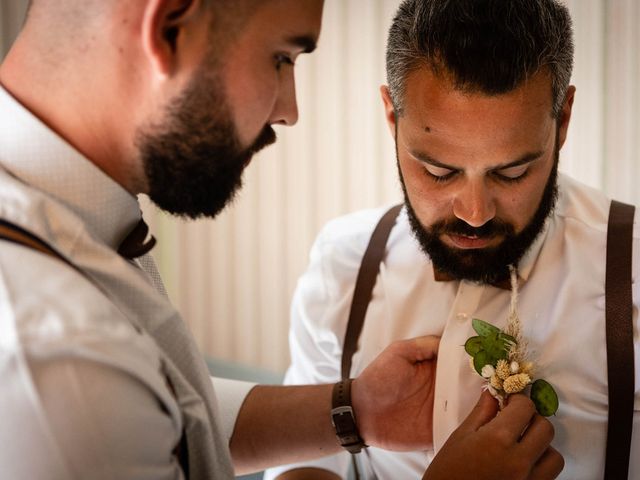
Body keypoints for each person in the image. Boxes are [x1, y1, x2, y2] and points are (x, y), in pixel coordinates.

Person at [0, 0, 562, 479]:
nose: (289, 110)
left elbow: (156, 414)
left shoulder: (76, 233)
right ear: (169, 27)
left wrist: (354, 411)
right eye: (281, 58)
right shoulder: (55, 359)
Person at [265, 0, 640, 479]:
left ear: (562, 121)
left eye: (513, 172)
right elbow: (307, 467)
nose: (475, 213)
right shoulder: (343, 264)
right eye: (439, 171)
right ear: (391, 117)